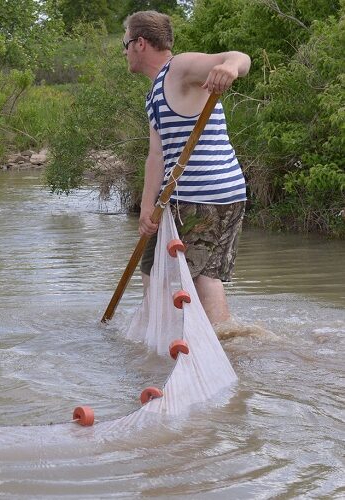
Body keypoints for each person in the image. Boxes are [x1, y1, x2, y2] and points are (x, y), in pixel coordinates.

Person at [123, 11, 251, 326]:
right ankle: (169, 340)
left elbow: (239, 57)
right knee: (158, 269)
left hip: (202, 196)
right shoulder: (154, 93)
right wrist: (146, 207)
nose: (124, 52)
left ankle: (217, 349)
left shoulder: (178, 69)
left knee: (200, 277)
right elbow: (156, 155)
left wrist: (229, 67)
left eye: (125, 45)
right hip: (199, 196)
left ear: (140, 43)